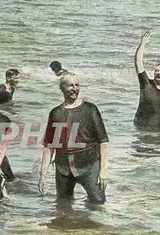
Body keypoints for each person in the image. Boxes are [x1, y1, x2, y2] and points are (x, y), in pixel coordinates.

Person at [38, 73, 109, 203]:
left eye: (77, 85)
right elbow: (49, 146)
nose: (74, 88)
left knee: (98, 202)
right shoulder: (55, 113)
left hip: (89, 165)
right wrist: (43, 174)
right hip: (63, 168)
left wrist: (103, 171)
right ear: (62, 88)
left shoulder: (90, 109)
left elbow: (103, 142)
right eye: (70, 85)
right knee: (63, 205)